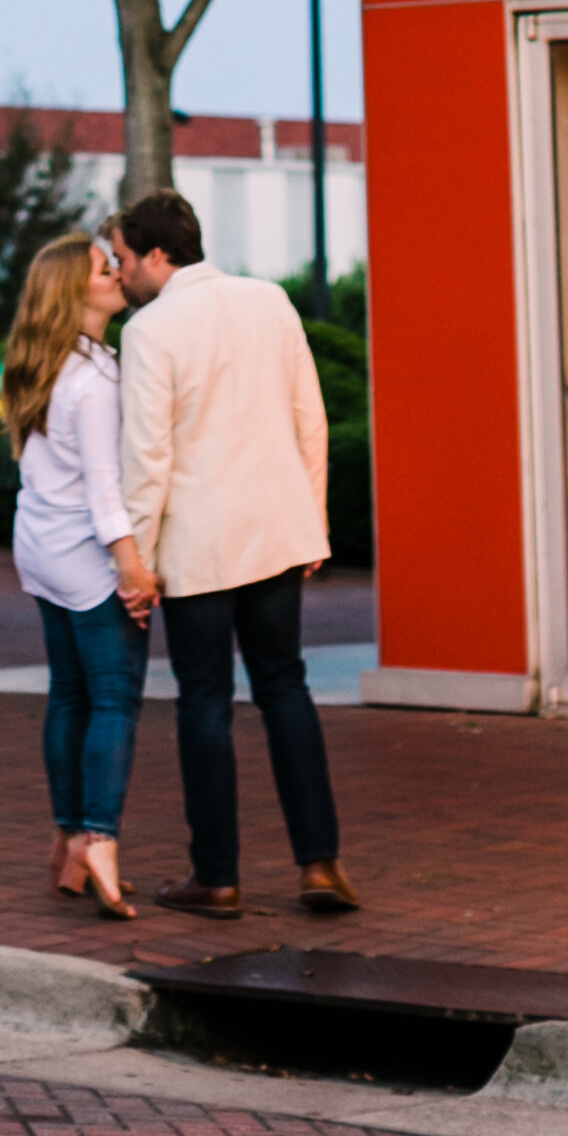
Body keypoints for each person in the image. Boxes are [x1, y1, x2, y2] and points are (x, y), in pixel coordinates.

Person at [111, 184, 360, 922]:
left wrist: (139, 559)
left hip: (200, 546)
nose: (120, 274)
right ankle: (320, 865)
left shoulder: (151, 332)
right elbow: (307, 415)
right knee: (285, 687)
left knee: (205, 701)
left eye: (124, 258)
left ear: (157, 254)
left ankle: (217, 876)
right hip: (277, 532)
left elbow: (147, 456)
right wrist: (311, 518)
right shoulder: (270, 302)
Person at [3, 231, 158, 920]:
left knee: (68, 695)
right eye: (105, 268)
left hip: (40, 546)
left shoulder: (44, 363)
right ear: (78, 291)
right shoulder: (94, 380)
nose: (119, 274)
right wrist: (133, 568)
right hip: (88, 555)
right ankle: (100, 838)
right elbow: (104, 486)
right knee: (115, 700)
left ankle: (68, 836)